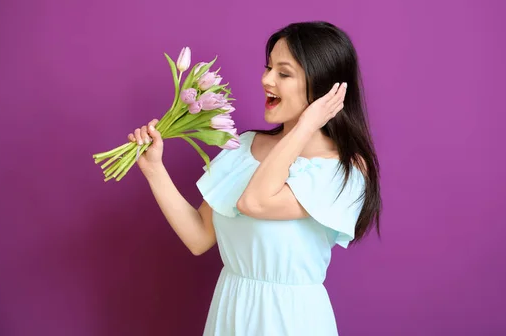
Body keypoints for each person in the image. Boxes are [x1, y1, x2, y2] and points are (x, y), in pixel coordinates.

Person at [127, 21, 381, 335]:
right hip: (231, 309)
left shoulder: (343, 169)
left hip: (290, 321)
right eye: (268, 68)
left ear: (322, 88)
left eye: (283, 73)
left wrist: (305, 126)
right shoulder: (243, 146)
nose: (266, 79)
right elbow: (198, 237)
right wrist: (154, 169)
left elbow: (255, 202)